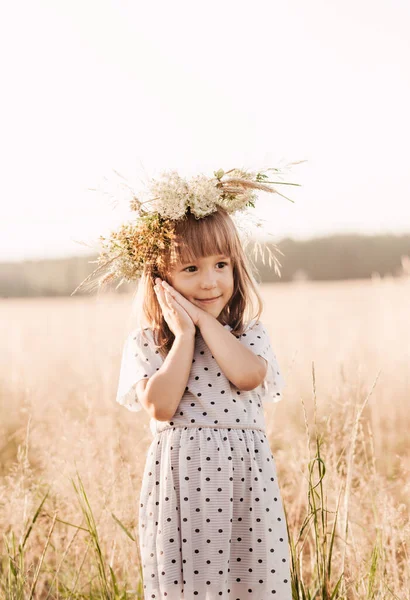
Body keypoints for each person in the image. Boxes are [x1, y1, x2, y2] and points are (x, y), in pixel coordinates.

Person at [74, 166, 299, 599]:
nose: (209, 281)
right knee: (190, 584)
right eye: (191, 269)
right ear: (162, 281)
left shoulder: (248, 335)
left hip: (244, 484)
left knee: (251, 580)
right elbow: (160, 406)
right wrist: (185, 335)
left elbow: (248, 375)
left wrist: (201, 319)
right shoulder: (149, 343)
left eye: (221, 265)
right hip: (183, 486)